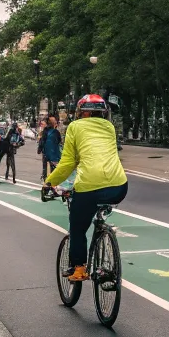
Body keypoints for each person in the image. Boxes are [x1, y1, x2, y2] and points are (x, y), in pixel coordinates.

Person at [43, 94, 128, 282]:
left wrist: (49, 182)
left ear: (84, 112)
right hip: (119, 186)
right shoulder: (109, 127)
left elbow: (67, 163)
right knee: (97, 210)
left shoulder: (74, 127)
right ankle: (103, 237)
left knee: (78, 227)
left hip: (89, 186)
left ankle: (80, 269)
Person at [38, 114, 63, 181]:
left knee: (45, 168)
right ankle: (51, 182)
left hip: (46, 153)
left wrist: (39, 150)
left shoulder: (45, 131)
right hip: (54, 154)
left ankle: (45, 181)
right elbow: (59, 141)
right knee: (53, 169)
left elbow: (42, 142)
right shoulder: (56, 132)